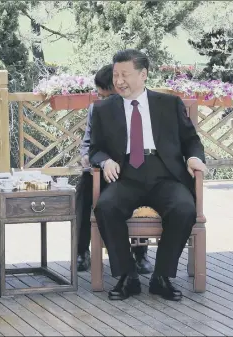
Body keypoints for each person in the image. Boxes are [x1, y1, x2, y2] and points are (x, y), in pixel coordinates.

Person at [89, 49, 206, 301]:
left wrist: (195, 158)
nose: (118, 81)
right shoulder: (103, 109)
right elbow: (94, 148)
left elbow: (191, 141)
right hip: (126, 173)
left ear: (143, 75)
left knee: (185, 208)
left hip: (165, 172)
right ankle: (127, 276)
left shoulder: (169, 104)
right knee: (106, 207)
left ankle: (161, 277)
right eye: (116, 75)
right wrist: (105, 160)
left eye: (125, 75)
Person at [76, 64, 153, 275]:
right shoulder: (96, 109)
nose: (101, 100)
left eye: (105, 95)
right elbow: (87, 143)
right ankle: (81, 250)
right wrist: (86, 157)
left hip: (131, 171)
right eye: (99, 96)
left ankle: (140, 253)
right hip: (102, 169)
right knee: (84, 189)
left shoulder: (139, 107)